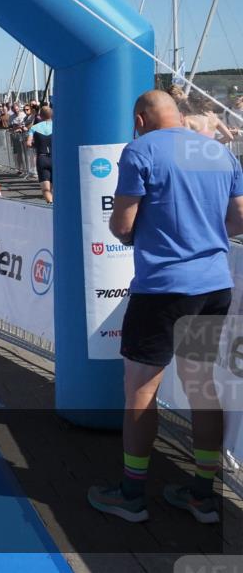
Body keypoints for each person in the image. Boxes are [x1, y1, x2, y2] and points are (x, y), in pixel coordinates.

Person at [88, 90, 243, 524]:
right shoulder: (219, 153)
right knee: (201, 385)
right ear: (179, 114)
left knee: (140, 389)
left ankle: (132, 495)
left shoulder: (139, 151)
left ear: (140, 119)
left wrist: (144, 236)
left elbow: (122, 224)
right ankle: (202, 495)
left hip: (162, 289)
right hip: (214, 285)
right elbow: (239, 220)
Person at [26, 106, 53, 203]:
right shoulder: (58, 126)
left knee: (46, 189)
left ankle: (50, 203)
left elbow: (28, 143)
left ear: (40, 116)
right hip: (56, 158)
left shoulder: (34, 128)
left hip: (42, 157)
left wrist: (37, 144)